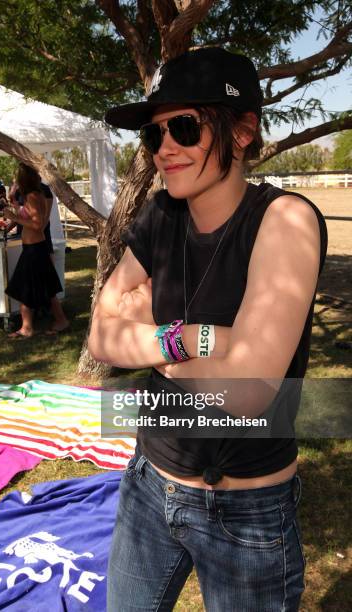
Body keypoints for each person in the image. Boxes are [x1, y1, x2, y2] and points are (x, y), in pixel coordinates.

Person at [88, 48, 328, 611]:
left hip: (244, 511)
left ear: (243, 132)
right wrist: (201, 340)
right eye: (154, 134)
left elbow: (247, 392)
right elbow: (100, 336)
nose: (164, 148)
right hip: (148, 482)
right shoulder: (160, 216)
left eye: (185, 128)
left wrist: (148, 333)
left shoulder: (284, 219)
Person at [4, 163, 69, 338]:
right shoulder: (33, 195)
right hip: (33, 247)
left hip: (34, 248)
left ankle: (28, 327)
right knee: (45, 288)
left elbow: (38, 225)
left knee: (24, 287)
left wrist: (15, 217)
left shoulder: (33, 196)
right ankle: (59, 321)